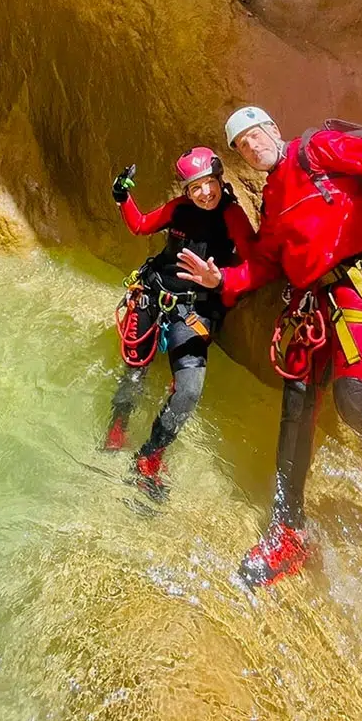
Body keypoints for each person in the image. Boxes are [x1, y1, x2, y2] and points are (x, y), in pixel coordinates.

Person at [178, 102, 362, 589]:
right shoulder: (272, 204)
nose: (253, 147)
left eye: (256, 134)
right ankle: (289, 530)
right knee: (296, 405)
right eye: (242, 145)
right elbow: (263, 263)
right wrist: (221, 278)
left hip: (357, 282)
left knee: (355, 401)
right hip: (309, 302)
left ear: (274, 129)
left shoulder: (313, 150)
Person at [106, 146, 255, 499]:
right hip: (153, 295)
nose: (204, 192)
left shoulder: (231, 216)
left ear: (220, 180)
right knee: (134, 372)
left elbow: (254, 260)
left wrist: (221, 279)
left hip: (193, 311)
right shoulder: (178, 209)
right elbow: (141, 225)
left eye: (209, 183)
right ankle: (117, 427)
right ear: (186, 191)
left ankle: (150, 456)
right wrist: (122, 197)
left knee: (188, 391)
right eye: (195, 187)